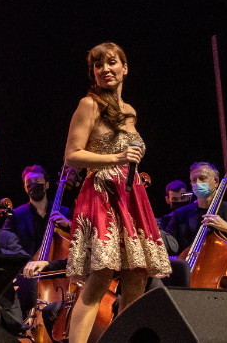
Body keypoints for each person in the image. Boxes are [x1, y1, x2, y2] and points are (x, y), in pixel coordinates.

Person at [59, 42, 170, 343]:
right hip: (101, 193)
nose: (105, 69)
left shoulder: (130, 112)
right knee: (101, 277)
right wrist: (116, 159)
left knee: (137, 276)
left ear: (125, 67)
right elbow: (72, 155)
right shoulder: (89, 105)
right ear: (93, 73)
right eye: (98, 65)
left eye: (111, 63)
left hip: (131, 194)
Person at [159, 162, 227, 262]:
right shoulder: (180, 214)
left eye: (202, 178)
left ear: (216, 181)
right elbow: (167, 247)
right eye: (194, 180)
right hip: (190, 273)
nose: (198, 183)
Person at [8, 165, 71, 256]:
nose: (33, 184)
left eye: (37, 181)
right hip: (26, 267)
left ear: (47, 185)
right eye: (29, 182)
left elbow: (80, 238)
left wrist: (69, 225)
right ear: (25, 188)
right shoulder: (16, 215)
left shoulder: (64, 212)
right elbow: (5, 241)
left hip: (56, 267)